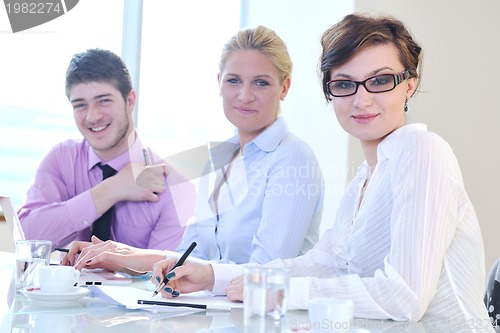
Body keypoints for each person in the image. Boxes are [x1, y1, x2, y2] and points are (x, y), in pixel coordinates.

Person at [149, 14, 493, 330]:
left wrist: (281, 291)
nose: (361, 100)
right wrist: (212, 276)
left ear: (409, 85)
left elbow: (405, 297)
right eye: (344, 84)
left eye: (381, 80)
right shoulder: (364, 180)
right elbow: (317, 264)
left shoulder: (422, 151)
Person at [61, 26, 324, 272]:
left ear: (285, 87)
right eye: (233, 81)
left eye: (261, 83)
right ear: (219, 83)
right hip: (218, 317)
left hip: (263, 319)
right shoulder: (218, 160)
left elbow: (265, 274)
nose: (245, 95)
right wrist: (118, 255)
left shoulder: (293, 157)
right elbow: (188, 258)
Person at [18, 49, 195, 252]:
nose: (92, 116)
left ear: (130, 100)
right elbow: (25, 240)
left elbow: (161, 276)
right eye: (80, 105)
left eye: (104, 100)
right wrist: (111, 190)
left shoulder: (175, 188)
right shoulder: (61, 159)